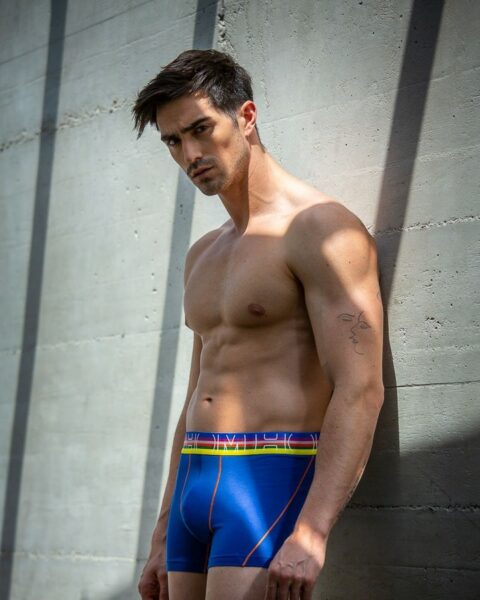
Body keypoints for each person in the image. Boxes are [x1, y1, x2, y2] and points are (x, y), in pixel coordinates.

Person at [133, 49, 384, 600]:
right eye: (173, 141)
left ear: (245, 117)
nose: (190, 154)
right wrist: (161, 529)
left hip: (268, 481)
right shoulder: (203, 253)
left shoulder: (320, 229)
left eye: (201, 130)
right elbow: (196, 393)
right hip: (194, 484)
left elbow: (360, 388)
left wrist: (312, 532)